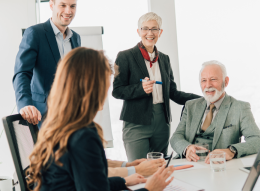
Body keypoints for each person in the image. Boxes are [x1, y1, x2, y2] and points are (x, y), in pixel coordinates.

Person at [26, 47, 174, 191]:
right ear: (92, 86)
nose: (107, 90)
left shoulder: (58, 124)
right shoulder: (84, 135)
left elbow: (89, 181)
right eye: (105, 82)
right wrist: (149, 189)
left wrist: (123, 180)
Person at [112, 12, 201, 162]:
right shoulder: (125, 56)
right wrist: (140, 89)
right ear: (138, 31)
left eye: (154, 29)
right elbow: (117, 90)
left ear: (160, 32)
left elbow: (173, 92)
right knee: (139, 169)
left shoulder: (164, 59)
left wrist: (202, 100)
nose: (150, 33)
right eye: (145, 28)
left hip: (162, 122)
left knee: (159, 168)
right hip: (136, 122)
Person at [13, 0, 81, 128]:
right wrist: (25, 104)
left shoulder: (76, 38)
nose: (68, 11)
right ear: (51, 5)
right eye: (63, 5)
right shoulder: (35, 33)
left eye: (72, 6)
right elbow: (22, 72)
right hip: (44, 117)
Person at [170, 60, 260, 163]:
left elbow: (258, 140)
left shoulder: (240, 108)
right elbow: (176, 137)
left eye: (213, 79)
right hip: (188, 164)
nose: (208, 85)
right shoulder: (190, 106)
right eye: (203, 80)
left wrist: (231, 151)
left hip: (218, 167)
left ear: (226, 81)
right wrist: (187, 148)